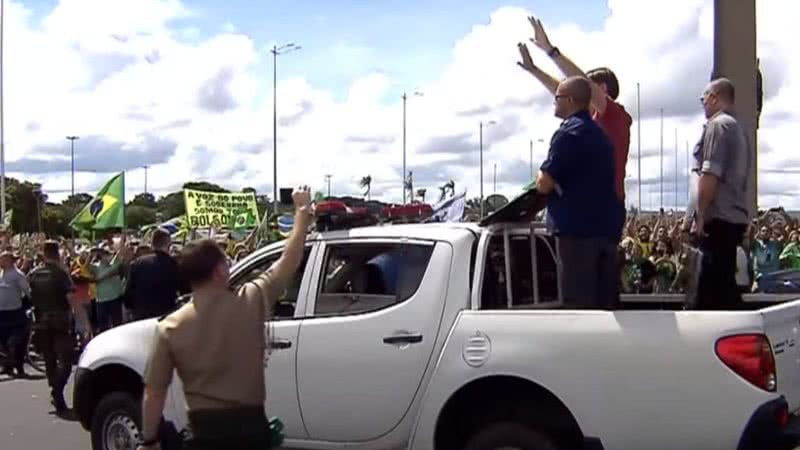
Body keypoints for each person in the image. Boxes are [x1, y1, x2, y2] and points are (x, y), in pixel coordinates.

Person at [137, 187, 314, 450]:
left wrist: (149, 440)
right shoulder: (251, 299)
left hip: (203, 436)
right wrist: (301, 215)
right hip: (252, 433)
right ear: (220, 270)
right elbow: (289, 260)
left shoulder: (170, 328)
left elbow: (154, 393)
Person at [517, 15, 632, 206]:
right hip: (590, 201)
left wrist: (550, 51)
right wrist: (533, 69)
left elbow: (580, 84)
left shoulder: (614, 115)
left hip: (603, 203)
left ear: (601, 89)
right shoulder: (592, 117)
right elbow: (563, 91)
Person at [534, 76, 623, 309]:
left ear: (570, 100)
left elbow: (544, 183)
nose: (554, 103)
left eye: (557, 98)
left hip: (576, 233)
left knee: (578, 307)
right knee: (604, 305)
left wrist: (542, 176)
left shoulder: (567, 134)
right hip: (605, 231)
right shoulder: (602, 136)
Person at [684, 78, 752, 310]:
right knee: (723, 287)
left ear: (714, 97)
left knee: (709, 295)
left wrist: (700, 216)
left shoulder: (717, 125)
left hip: (717, 220)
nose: (703, 104)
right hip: (732, 219)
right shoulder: (739, 128)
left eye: (704, 99)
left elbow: (710, 174)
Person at [27, 240, 90, 415]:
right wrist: (83, 322)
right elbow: (72, 299)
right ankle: (57, 391)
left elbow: (26, 297)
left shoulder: (33, 274)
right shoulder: (60, 274)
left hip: (41, 323)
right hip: (60, 322)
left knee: (49, 360)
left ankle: (56, 391)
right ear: (58, 253)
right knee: (66, 361)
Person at [124, 229, 188, 321]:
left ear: (151, 243)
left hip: (142, 316)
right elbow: (183, 289)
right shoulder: (174, 264)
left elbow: (129, 293)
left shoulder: (137, 263)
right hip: (166, 314)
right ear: (168, 243)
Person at [0, 249, 32, 378]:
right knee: (3, 341)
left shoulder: (18, 275)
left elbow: (27, 291)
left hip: (15, 312)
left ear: (9, 260)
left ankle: (19, 367)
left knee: (17, 342)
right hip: (1, 313)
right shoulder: (0, 274)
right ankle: (7, 367)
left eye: (2, 258)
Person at [91, 246, 128, 332]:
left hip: (114, 299)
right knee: (103, 328)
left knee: (117, 325)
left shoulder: (114, 264)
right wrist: (91, 255)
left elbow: (120, 252)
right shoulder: (95, 268)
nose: (108, 257)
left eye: (109, 255)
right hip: (100, 301)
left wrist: (123, 235)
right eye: (105, 255)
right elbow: (84, 266)